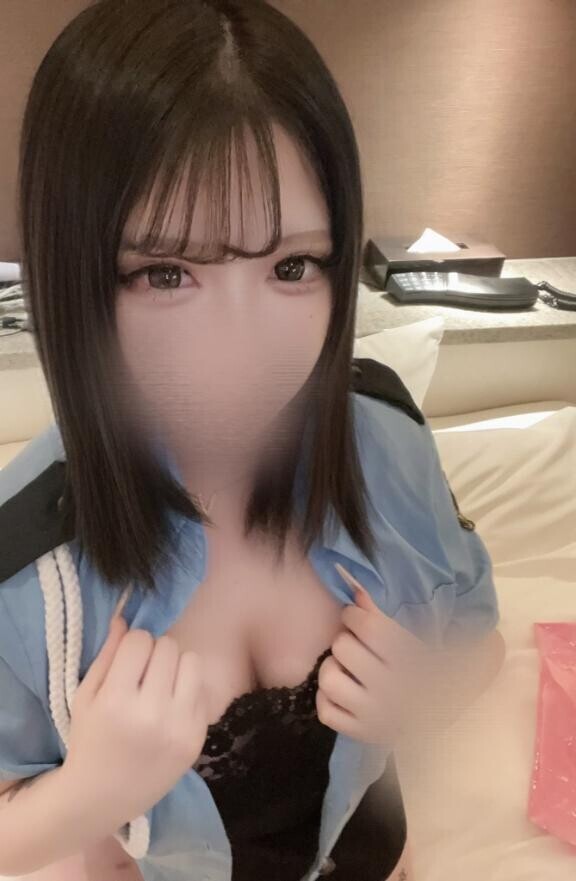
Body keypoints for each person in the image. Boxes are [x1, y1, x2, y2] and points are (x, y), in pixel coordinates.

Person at [0, 1, 505, 880]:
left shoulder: (389, 447)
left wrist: (418, 695)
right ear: (71, 273)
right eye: (165, 272)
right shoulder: (29, 573)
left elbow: (482, 646)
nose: (242, 347)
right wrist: (89, 792)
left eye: (291, 267)